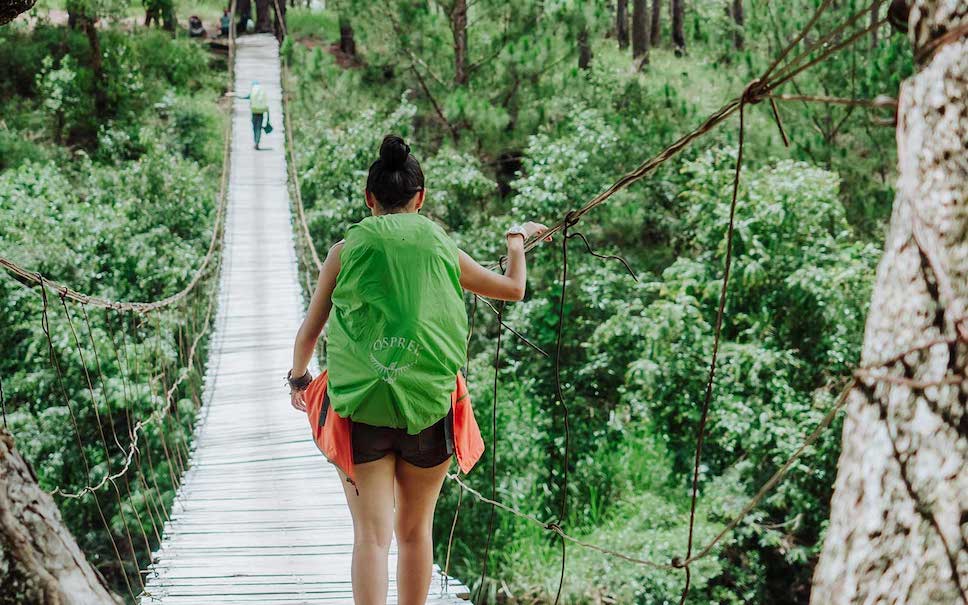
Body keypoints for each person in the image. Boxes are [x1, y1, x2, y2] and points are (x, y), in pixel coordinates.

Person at [287, 135, 550, 605]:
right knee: (415, 532)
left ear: (369, 199)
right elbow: (513, 289)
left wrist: (299, 380)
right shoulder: (440, 244)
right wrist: (516, 241)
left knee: (372, 537)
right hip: (430, 407)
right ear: (420, 198)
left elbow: (309, 335)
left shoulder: (345, 251)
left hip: (362, 410)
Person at [228, 81, 269, 149]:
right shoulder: (261, 93)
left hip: (254, 112)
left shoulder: (252, 94)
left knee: (254, 127)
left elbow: (243, 97)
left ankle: (255, 142)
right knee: (259, 128)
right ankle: (257, 142)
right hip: (261, 112)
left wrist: (234, 94)